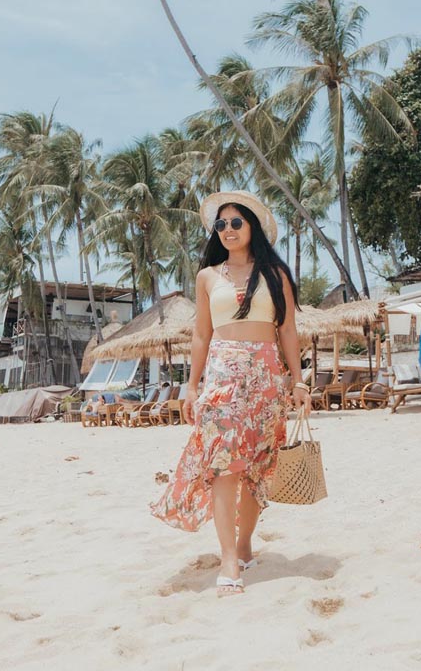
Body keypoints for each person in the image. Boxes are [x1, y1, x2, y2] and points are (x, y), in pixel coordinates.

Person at [151, 191, 310, 597]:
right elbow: (201, 333)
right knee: (224, 466)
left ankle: (243, 544)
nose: (226, 230)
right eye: (220, 225)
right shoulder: (208, 277)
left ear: (252, 226)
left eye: (235, 223)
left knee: (255, 469)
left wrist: (298, 381)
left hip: (266, 377)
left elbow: (287, 330)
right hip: (222, 376)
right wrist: (191, 386)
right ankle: (226, 557)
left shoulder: (275, 274)